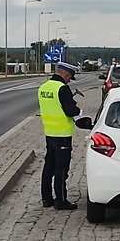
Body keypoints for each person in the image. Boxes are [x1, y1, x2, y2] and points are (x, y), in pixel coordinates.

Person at [38, 62, 81, 210]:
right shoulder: (62, 88)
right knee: (61, 168)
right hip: (63, 134)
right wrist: (78, 110)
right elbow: (70, 111)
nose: (69, 80)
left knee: (48, 166)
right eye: (70, 78)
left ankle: (46, 199)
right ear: (66, 74)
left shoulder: (43, 88)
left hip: (49, 133)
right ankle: (61, 201)